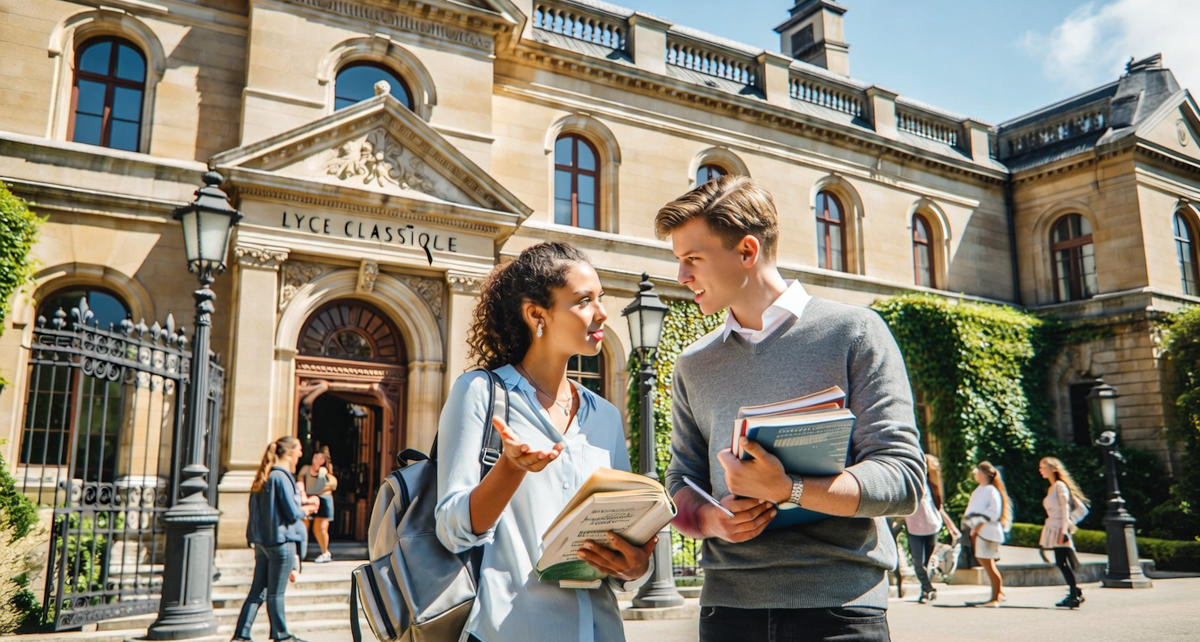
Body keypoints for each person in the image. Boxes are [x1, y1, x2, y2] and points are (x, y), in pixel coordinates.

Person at [656, 175, 926, 642]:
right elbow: (681, 483)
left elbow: (903, 479)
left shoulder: (855, 333)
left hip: (840, 609)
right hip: (728, 611)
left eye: (692, 259)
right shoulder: (693, 364)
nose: (682, 276)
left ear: (746, 251)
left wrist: (791, 488)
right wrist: (711, 519)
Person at [434, 242, 655, 642]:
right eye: (584, 300)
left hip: (601, 630)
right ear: (537, 314)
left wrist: (635, 566)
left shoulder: (604, 415)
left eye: (600, 298)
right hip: (510, 630)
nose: (602, 313)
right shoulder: (480, 392)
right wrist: (510, 468)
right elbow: (452, 530)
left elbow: (623, 539)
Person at [232, 436, 318, 642]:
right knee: (275, 593)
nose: (300, 454)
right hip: (281, 541)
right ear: (288, 452)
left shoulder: (266, 475)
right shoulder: (282, 477)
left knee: (258, 591)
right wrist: (306, 509)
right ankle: (281, 636)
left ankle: (241, 636)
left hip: (263, 542)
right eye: (298, 449)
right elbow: (290, 512)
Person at [904, 454, 960, 604]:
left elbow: (938, 506)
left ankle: (924, 592)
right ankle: (928, 587)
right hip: (914, 527)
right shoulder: (910, 480)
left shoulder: (930, 484)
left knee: (927, 562)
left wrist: (950, 524)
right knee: (917, 562)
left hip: (932, 525)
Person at [1038, 456, 1088, 608]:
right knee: (1063, 562)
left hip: (1060, 528)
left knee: (1062, 562)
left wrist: (1065, 528)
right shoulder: (1053, 487)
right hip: (1055, 527)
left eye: (1043, 467)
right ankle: (1075, 591)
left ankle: (1074, 593)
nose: (1040, 470)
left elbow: (1065, 507)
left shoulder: (1059, 486)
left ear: (1053, 468)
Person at [963, 461, 1011, 607]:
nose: (975, 474)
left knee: (989, 565)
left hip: (987, 532)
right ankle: (999, 593)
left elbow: (993, 512)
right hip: (981, 531)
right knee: (985, 562)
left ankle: (995, 598)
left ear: (983, 474)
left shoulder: (990, 490)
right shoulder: (980, 489)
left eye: (978, 472)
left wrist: (978, 526)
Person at [298, 446, 338, 563]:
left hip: (323, 500)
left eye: (321, 458)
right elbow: (300, 480)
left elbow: (332, 484)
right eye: (316, 457)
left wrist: (316, 491)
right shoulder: (306, 469)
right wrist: (304, 494)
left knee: (320, 528)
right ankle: (300, 552)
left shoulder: (326, 473)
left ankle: (325, 552)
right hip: (307, 499)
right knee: (303, 525)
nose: (317, 460)